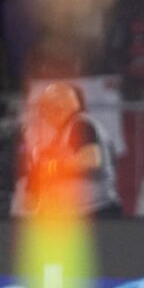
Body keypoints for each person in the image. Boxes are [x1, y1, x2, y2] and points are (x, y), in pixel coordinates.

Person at [15, 83, 122, 217]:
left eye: (45, 107)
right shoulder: (64, 133)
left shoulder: (81, 124)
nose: (42, 114)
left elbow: (90, 160)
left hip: (95, 212)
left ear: (58, 108)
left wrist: (50, 167)